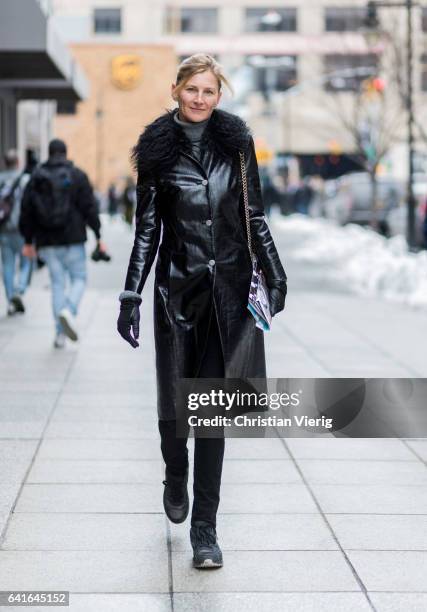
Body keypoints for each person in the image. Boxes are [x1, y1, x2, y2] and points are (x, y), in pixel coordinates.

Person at [117, 54, 287, 569]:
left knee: (211, 411)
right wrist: (132, 294)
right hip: (177, 294)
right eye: (192, 89)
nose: (199, 99)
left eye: (209, 91)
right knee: (175, 411)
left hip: (229, 295)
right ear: (175, 90)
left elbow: (252, 213)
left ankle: (205, 531)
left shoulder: (236, 146)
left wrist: (274, 271)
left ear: (219, 95)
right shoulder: (157, 151)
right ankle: (174, 471)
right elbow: (147, 227)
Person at [19, 138, 108, 348]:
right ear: (65, 153)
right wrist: (98, 235)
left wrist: (28, 241)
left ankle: (59, 335)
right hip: (73, 238)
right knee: (79, 278)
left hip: (47, 242)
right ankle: (69, 310)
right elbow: (89, 207)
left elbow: (26, 211)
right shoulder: (76, 175)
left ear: (49, 153)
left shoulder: (36, 177)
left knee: (57, 283)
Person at [0, 149, 33, 316]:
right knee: (27, 260)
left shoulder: (0, 179)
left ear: (5, 163)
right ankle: (19, 290)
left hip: (4, 229)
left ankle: (11, 299)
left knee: (7, 265)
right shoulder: (25, 180)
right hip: (22, 229)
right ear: (18, 162)